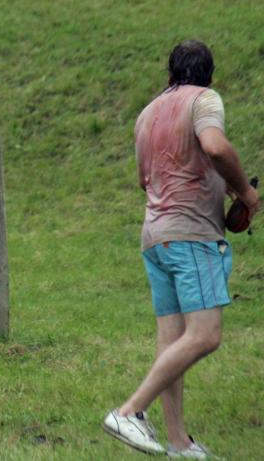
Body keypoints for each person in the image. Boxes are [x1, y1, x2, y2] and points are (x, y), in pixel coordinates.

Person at [102, 40, 260, 457]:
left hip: (155, 236)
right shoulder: (205, 100)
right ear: (210, 76)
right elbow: (215, 146)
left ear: (169, 75)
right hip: (192, 235)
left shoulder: (147, 112)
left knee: (171, 343)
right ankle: (130, 412)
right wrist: (245, 191)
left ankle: (177, 442)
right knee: (205, 336)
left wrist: (214, 183)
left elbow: (145, 178)